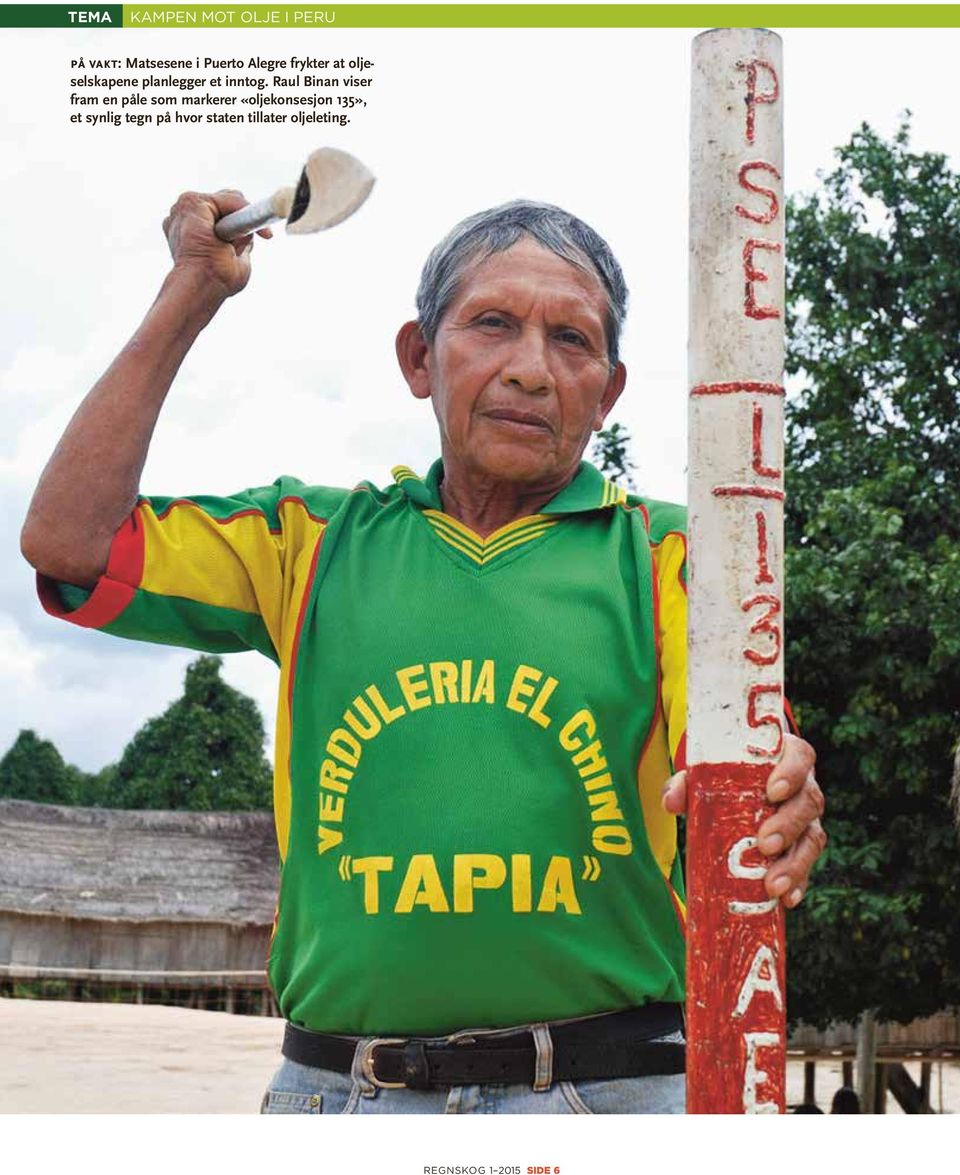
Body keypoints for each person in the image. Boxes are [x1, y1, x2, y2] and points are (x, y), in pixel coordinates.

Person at [21, 193, 826, 1114]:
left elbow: (749, 764)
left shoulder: (669, 555)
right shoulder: (309, 541)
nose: (531, 369)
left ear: (607, 393)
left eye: (573, 341)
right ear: (418, 357)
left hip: (608, 1096)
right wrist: (193, 287)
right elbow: (67, 540)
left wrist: (777, 787)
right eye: (492, 324)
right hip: (338, 1096)